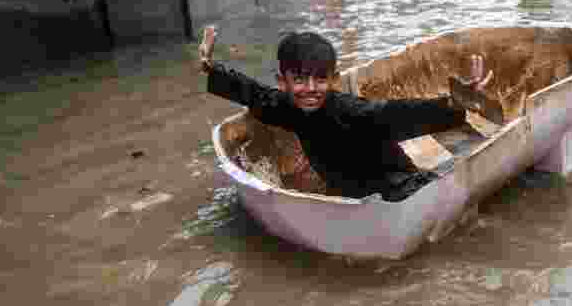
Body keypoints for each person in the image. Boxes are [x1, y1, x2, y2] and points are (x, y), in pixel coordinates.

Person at [197, 27, 495, 202]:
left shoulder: (350, 110)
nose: (310, 89)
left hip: (396, 184)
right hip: (347, 191)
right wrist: (212, 68)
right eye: (299, 80)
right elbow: (254, 94)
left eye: (320, 80)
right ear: (283, 81)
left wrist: (454, 104)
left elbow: (398, 114)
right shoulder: (286, 106)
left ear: (334, 80)